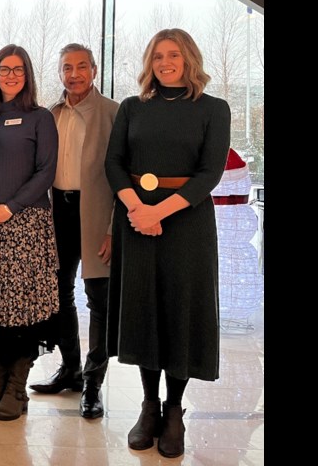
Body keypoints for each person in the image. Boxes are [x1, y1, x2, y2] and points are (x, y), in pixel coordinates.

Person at [105, 28, 230, 458]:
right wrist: (138, 209)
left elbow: (209, 173)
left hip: (186, 224)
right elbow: (114, 162)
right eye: (157, 55)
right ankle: (148, 406)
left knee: (180, 310)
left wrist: (159, 212)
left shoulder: (214, 109)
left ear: (189, 58)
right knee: (143, 310)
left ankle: (174, 409)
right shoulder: (132, 107)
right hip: (135, 219)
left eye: (173, 54)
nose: (164, 62)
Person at [0, 44, 59, 421]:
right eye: (4, 69)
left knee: (21, 313)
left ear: (28, 75)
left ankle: (17, 388)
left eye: (18, 69)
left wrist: (10, 208)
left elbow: (45, 173)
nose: (10, 75)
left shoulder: (40, 118)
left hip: (26, 225)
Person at [29, 44, 119, 419]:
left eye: (82, 66)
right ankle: (70, 369)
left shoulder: (114, 113)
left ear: (94, 71)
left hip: (97, 214)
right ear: (60, 73)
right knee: (59, 291)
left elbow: (124, 175)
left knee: (98, 297)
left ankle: (94, 382)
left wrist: (115, 229)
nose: (75, 74)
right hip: (58, 213)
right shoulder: (50, 114)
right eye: (67, 67)